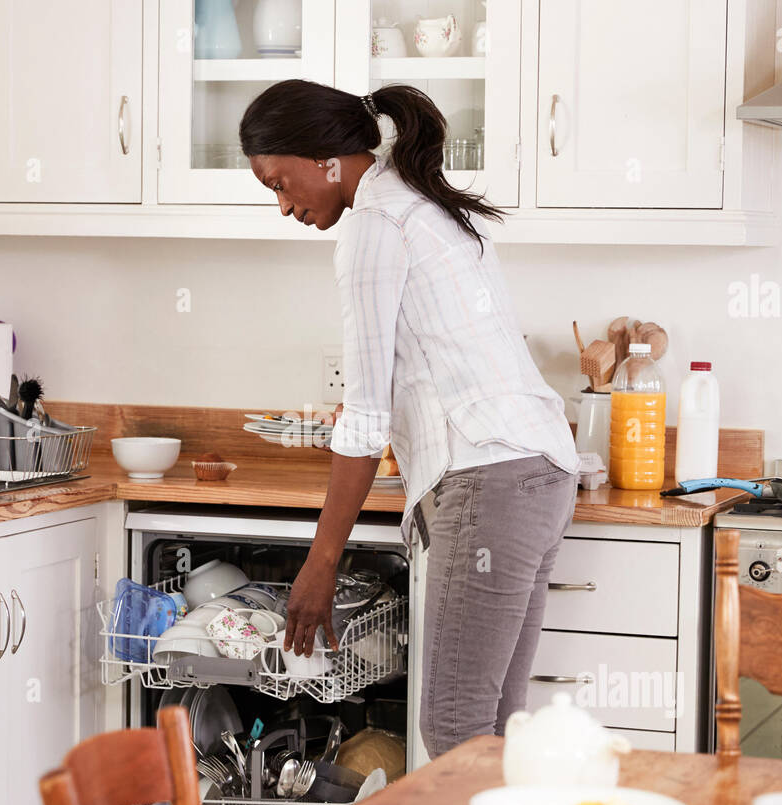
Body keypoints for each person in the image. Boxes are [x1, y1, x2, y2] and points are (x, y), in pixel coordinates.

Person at [239, 80, 579, 758]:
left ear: (326, 157)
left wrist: (320, 564)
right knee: (492, 735)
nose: (283, 206)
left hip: (488, 482)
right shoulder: (423, 201)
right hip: (539, 473)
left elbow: (364, 421)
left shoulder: (373, 226)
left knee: (455, 734)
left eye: (281, 182)